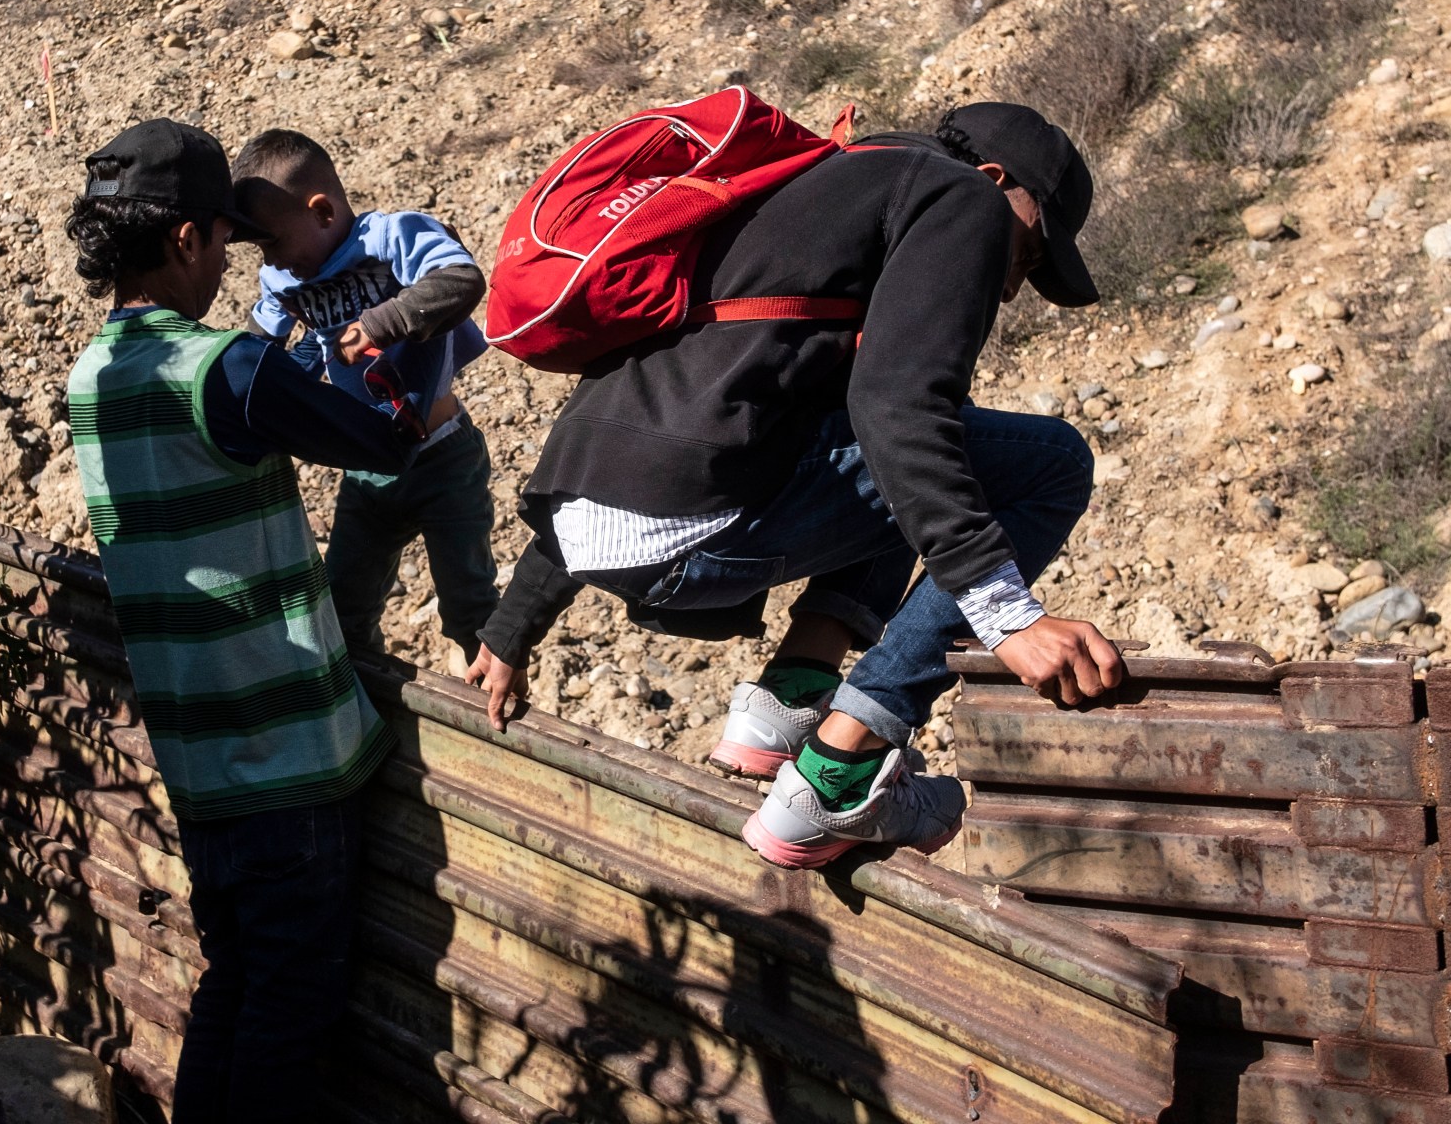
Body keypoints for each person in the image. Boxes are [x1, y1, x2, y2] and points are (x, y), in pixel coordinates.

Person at [467, 102, 1127, 870]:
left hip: (591, 516)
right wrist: (1008, 617)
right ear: (993, 180)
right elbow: (901, 409)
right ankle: (842, 769)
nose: (1014, 285)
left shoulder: (821, 182)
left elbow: (642, 439)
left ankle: (786, 704)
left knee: (918, 439)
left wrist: (512, 628)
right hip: (692, 536)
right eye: (1030, 252)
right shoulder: (962, 197)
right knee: (1047, 461)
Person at [62, 119, 415, 1122]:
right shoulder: (224, 367)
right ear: (185, 242)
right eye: (223, 242)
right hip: (288, 766)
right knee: (287, 1022)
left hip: (201, 760)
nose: (226, 265)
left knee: (237, 985)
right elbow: (379, 445)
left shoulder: (94, 376)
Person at [231, 128, 499, 665]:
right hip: (369, 471)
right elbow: (259, 352)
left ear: (323, 212)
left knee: (469, 608)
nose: (270, 259)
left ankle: (495, 708)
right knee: (344, 610)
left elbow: (461, 279)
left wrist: (383, 323)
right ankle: (366, 710)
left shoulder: (390, 236)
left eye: (272, 242)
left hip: (444, 458)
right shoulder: (282, 279)